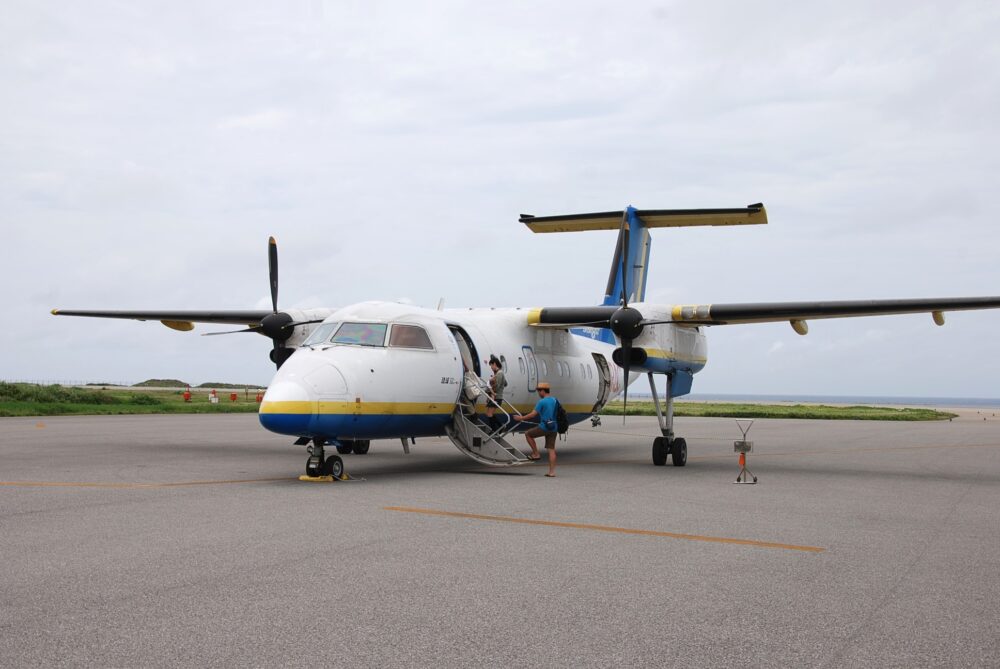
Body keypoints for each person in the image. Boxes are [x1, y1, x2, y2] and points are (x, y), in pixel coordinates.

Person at [513, 382, 559, 477]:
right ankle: (552, 472)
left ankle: (536, 453)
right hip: (554, 427)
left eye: (539, 391)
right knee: (551, 450)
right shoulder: (555, 400)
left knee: (528, 434)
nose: (538, 393)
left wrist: (521, 418)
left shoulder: (542, 402)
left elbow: (533, 414)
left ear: (543, 391)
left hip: (544, 427)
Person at [485, 355, 507, 431]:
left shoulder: (499, 373)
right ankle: (500, 427)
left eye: (491, 366)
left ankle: (494, 430)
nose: (491, 368)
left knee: (489, 414)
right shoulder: (499, 373)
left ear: (494, 364)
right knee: (489, 413)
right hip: (497, 396)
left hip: (496, 397)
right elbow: (505, 383)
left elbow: (497, 386)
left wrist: (489, 388)